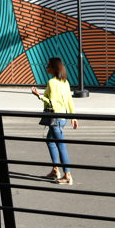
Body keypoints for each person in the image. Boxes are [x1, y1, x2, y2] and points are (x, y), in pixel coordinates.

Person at [30, 56, 79, 185]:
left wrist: (39, 96)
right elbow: (69, 100)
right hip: (63, 117)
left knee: (60, 145)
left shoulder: (52, 82)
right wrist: (73, 117)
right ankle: (55, 170)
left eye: (48, 65)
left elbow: (51, 102)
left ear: (54, 68)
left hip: (55, 118)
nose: (46, 67)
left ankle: (67, 175)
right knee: (50, 140)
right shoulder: (65, 82)